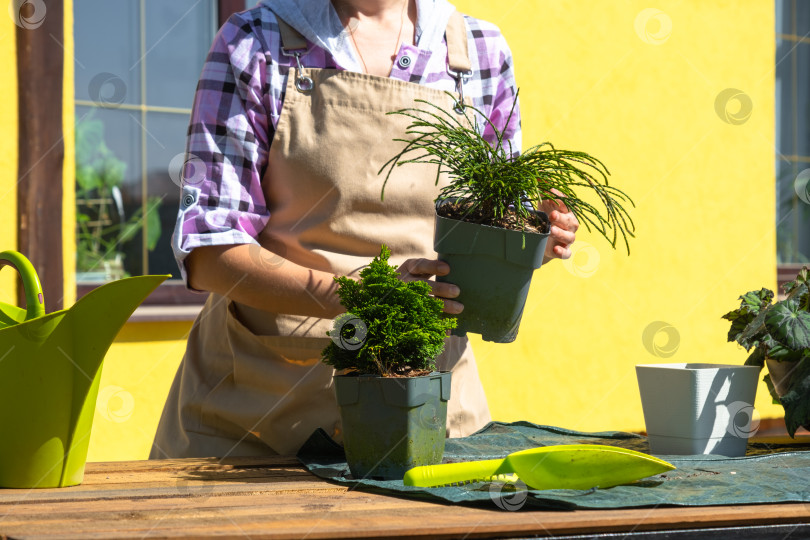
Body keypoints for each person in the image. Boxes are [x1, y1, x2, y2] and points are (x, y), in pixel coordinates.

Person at [150, 0, 579, 459]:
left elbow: (488, 228)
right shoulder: (256, 41)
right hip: (261, 424)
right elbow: (212, 253)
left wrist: (528, 241)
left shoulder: (477, 52)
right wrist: (365, 296)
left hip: (428, 416)